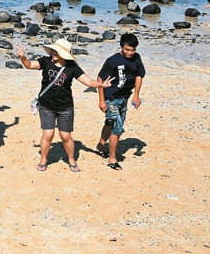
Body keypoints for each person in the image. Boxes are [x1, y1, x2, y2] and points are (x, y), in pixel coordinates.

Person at [17, 39, 113, 172]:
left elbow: (88, 81)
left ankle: (71, 160)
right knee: (48, 134)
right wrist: (23, 57)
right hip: (46, 105)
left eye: (56, 51)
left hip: (65, 107)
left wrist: (101, 85)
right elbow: (29, 65)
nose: (53, 53)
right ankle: (43, 160)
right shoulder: (45, 61)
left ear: (64, 54)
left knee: (65, 136)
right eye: (53, 51)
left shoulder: (71, 67)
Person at [95, 33, 146, 170]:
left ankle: (101, 144)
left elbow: (139, 76)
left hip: (124, 98)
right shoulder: (112, 61)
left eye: (132, 50)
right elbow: (99, 79)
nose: (130, 53)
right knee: (117, 127)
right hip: (110, 97)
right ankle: (112, 159)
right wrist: (101, 101)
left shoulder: (136, 58)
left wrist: (136, 95)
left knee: (111, 123)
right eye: (127, 49)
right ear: (121, 47)